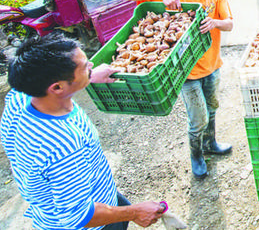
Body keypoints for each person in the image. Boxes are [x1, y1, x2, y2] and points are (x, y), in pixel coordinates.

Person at [0, 34, 166, 230]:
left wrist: (88, 77)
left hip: (94, 195)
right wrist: (135, 212)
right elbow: (78, 217)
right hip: (92, 223)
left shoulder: (21, 96)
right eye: (85, 66)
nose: (91, 65)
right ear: (57, 87)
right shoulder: (63, 145)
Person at [122, 0, 233, 179]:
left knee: (212, 107)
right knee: (198, 118)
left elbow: (229, 24)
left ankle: (210, 143)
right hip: (186, 73)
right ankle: (196, 156)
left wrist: (216, 22)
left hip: (212, 65)